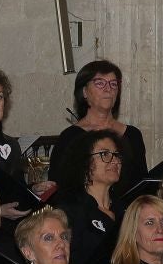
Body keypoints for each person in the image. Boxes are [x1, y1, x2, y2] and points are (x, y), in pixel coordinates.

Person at [49, 60, 149, 197]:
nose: (108, 89)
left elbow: (142, 185)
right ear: (84, 91)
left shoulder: (132, 134)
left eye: (113, 84)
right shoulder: (71, 137)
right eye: (100, 83)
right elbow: (58, 187)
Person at [44, 128, 123, 264]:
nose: (115, 161)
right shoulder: (69, 212)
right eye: (105, 154)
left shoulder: (124, 210)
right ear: (84, 163)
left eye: (116, 155)